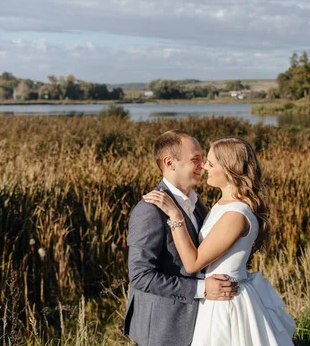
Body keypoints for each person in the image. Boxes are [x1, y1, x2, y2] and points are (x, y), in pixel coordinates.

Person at [143, 136, 296, 346]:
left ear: (229, 169)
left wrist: (176, 217)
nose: (204, 166)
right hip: (216, 296)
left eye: (211, 163)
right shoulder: (222, 204)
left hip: (226, 302)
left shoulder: (236, 214)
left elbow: (193, 263)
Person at [124, 130, 240, 346]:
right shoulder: (149, 210)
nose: (203, 165)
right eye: (195, 159)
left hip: (199, 322)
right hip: (163, 328)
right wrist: (202, 289)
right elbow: (140, 276)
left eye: (203, 159)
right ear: (170, 163)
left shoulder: (197, 203)